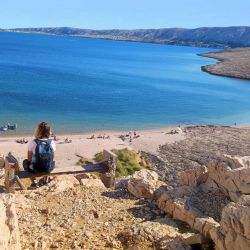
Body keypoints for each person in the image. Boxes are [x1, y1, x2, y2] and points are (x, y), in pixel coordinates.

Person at [23, 122, 56, 187]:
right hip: (48, 168)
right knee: (49, 161)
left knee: (25, 162)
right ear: (49, 131)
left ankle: (34, 182)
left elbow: (29, 159)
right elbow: (53, 157)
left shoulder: (33, 142)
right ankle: (45, 180)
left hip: (36, 169)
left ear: (38, 131)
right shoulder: (52, 142)